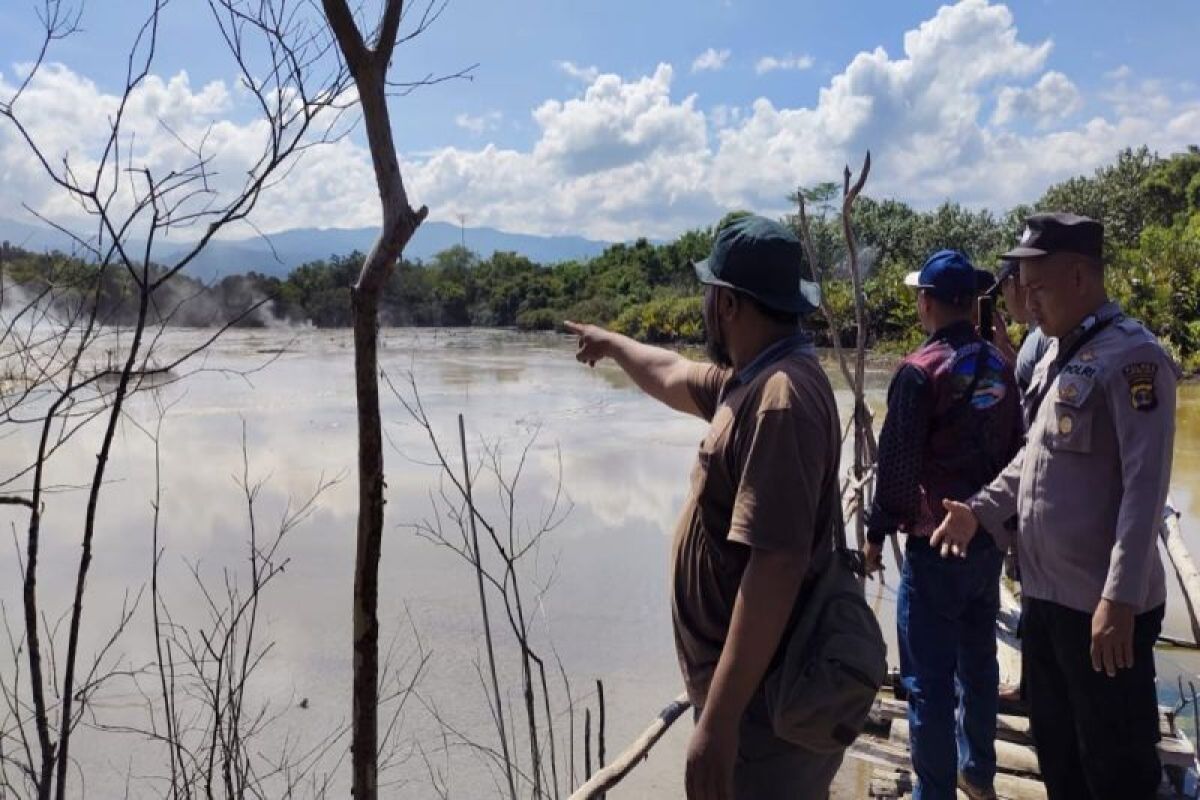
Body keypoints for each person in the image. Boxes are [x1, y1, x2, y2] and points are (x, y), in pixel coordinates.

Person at [565, 214, 845, 800]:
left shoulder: (780, 400)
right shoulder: (754, 379)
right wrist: (614, 344)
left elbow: (775, 567)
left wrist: (718, 723)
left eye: (708, 292)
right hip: (753, 698)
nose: (705, 305)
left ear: (728, 304)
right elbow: (670, 372)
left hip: (762, 710)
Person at [931, 212, 1181, 800]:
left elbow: (1146, 489)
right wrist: (979, 510)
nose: (1027, 300)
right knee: (1060, 754)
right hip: (1046, 602)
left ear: (1077, 277)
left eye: (1037, 287)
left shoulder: (1133, 360)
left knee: (1115, 765)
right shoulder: (1055, 356)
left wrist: (1118, 598)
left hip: (1101, 612)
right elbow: (1033, 461)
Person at [863, 250, 1022, 800]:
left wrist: (875, 533)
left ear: (926, 302)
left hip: (934, 548)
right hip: (985, 543)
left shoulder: (917, 372)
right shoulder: (1003, 367)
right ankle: (977, 772)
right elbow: (1016, 454)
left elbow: (897, 465)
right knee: (977, 663)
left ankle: (935, 793)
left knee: (927, 682)